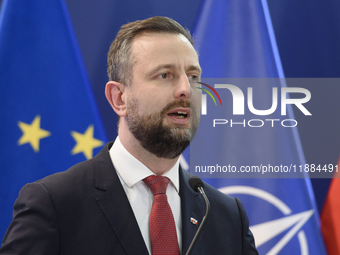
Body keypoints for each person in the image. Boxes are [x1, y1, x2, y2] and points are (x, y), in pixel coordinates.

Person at [0, 16, 258, 254]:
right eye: (164, 75)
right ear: (119, 98)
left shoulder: (226, 216)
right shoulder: (55, 204)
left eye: (193, 76)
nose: (185, 90)